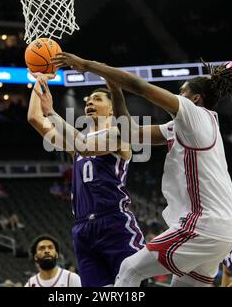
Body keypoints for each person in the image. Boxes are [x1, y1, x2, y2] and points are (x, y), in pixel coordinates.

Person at [52, 53, 232, 287]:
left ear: (196, 98)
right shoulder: (187, 126)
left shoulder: (194, 115)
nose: (178, 96)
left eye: (182, 92)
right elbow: (129, 132)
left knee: (129, 269)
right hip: (224, 231)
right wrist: (117, 93)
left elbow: (140, 86)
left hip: (203, 225)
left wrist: (89, 66)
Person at [27, 74, 145, 286]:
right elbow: (35, 119)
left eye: (98, 99)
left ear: (111, 109)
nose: (90, 102)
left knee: (133, 287)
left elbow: (85, 145)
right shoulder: (75, 142)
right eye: (88, 100)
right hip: (82, 229)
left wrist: (52, 113)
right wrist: (40, 81)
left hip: (114, 223)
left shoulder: (120, 133)